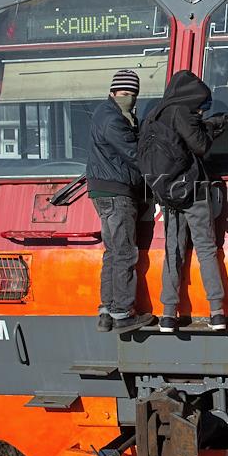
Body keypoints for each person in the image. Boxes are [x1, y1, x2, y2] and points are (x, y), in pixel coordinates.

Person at [140, 70, 228, 333]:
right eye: (201, 106)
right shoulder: (182, 112)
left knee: (173, 251)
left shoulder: (154, 116)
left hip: (167, 191)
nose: (201, 112)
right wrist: (212, 127)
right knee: (206, 249)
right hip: (193, 190)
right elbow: (200, 145)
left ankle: (168, 314)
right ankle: (217, 311)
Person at [86, 69, 151, 334]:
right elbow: (134, 154)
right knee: (124, 252)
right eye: (125, 94)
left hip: (103, 191)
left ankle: (107, 311)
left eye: (134, 94)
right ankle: (123, 314)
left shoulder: (108, 114)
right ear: (113, 92)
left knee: (112, 253)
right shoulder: (112, 119)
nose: (130, 99)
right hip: (116, 192)